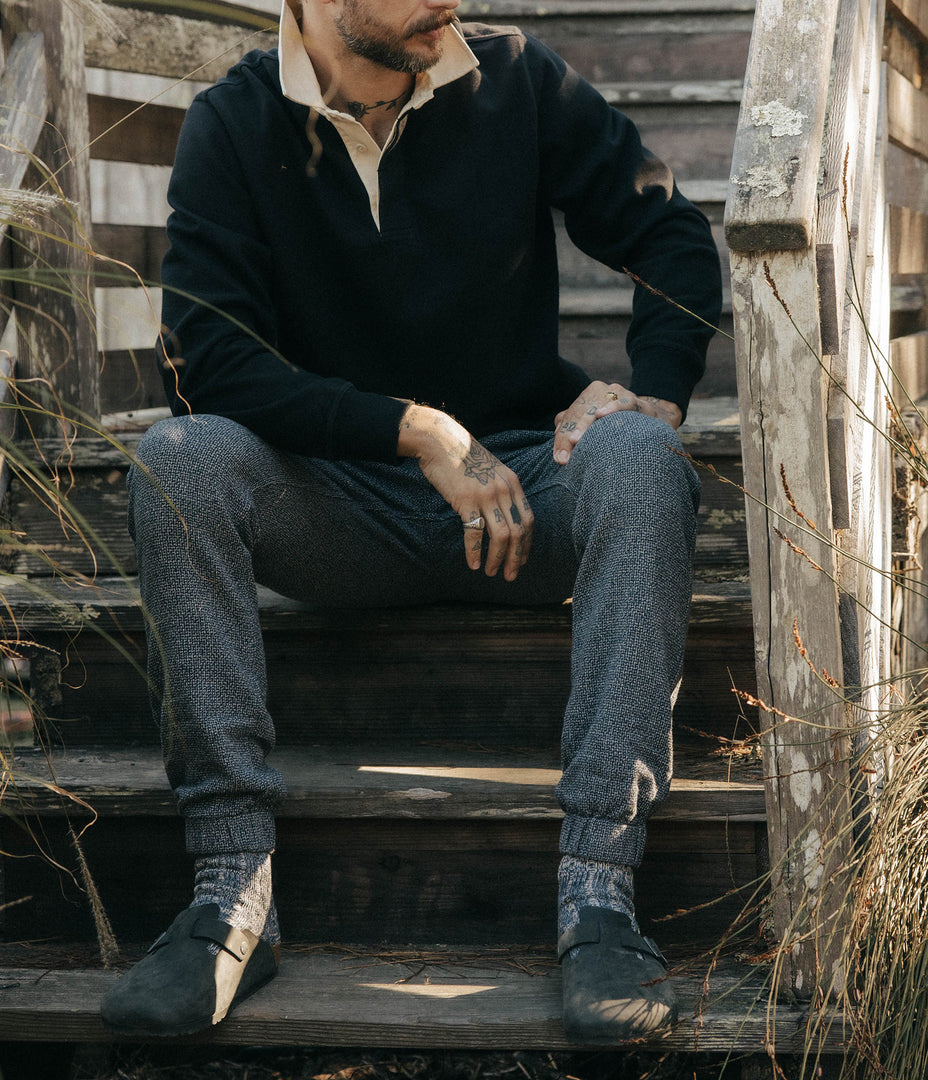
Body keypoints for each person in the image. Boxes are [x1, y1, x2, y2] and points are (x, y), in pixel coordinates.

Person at [100, 0, 723, 1044]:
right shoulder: (234, 122)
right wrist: (419, 431)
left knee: (642, 460)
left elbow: (668, 231)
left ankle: (600, 895)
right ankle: (231, 890)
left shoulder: (519, 80)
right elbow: (209, 364)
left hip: (526, 495)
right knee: (179, 460)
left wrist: (654, 391)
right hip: (339, 510)